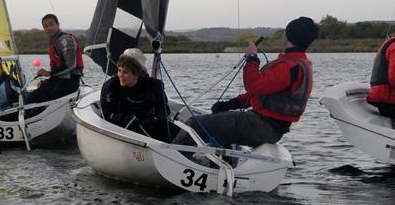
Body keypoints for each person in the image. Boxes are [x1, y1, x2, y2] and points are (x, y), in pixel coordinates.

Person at [175, 16, 319, 149]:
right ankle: (220, 164)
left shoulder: (289, 67)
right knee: (219, 124)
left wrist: (252, 58)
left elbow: (253, 85)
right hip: (270, 127)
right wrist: (230, 104)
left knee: (195, 124)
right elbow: (261, 93)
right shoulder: (300, 64)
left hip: (261, 127)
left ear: (287, 36)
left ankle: (173, 158)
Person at [100, 49, 173, 142]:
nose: (120, 75)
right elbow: (107, 114)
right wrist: (126, 119)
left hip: (149, 128)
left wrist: (154, 119)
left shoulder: (154, 85)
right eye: (119, 70)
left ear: (137, 74)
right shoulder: (111, 86)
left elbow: (164, 110)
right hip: (123, 130)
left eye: (125, 72)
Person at [25, 13, 83, 105]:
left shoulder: (65, 40)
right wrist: (46, 82)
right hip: (61, 80)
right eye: (45, 26)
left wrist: (49, 73)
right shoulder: (54, 41)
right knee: (34, 91)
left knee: (31, 98)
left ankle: (29, 117)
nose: (48, 28)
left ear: (58, 24)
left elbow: (71, 64)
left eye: (51, 24)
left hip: (70, 82)